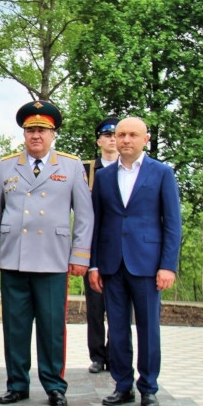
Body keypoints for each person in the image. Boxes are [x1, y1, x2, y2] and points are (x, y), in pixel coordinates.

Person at [0, 101, 93, 406]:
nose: (37, 136)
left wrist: (81, 256)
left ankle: (54, 385)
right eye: (31, 130)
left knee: (51, 327)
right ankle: (17, 384)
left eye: (43, 131)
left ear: (53, 134)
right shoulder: (7, 165)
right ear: (24, 133)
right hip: (14, 258)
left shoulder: (71, 166)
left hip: (53, 258)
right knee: (16, 326)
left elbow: (85, 216)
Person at [90, 117, 181, 406]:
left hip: (148, 265)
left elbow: (172, 224)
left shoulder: (162, 173)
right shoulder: (103, 177)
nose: (125, 140)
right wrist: (93, 265)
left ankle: (148, 387)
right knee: (117, 329)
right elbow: (96, 223)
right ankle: (122, 385)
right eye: (120, 135)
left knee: (148, 329)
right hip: (112, 264)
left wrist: (168, 265)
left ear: (146, 139)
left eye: (132, 135)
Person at [82, 117, 119, 374]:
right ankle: (97, 356)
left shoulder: (130, 168)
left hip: (119, 246)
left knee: (119, 307)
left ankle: (116, 353)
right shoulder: (84, 169)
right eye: (107, 135)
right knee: (95, 307)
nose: (112, 139)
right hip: (91, 246)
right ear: (99, 140)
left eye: (116, 134)